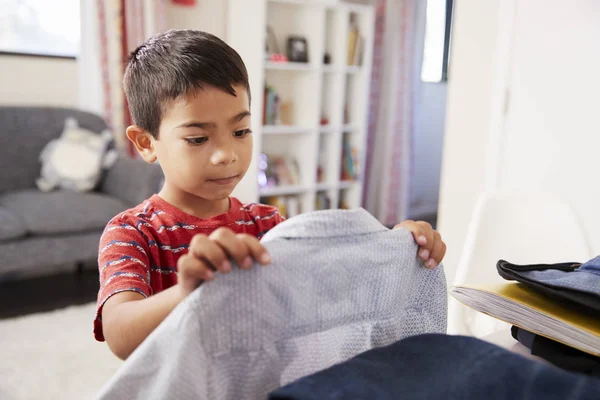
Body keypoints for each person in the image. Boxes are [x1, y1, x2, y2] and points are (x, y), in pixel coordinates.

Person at [94, 29, 447, 360]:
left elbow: (328, 294)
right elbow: (120, 334)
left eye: (241, 131)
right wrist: (188, 292)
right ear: (145, 142)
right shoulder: (131, 233)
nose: (226, 154)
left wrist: (395, 250)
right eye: (199, 138)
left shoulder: (267, 223)